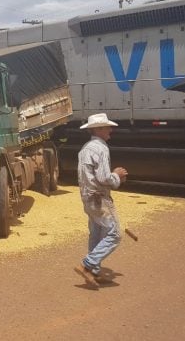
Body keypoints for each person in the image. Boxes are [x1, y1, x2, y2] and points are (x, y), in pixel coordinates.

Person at [74, 113, 128, 287]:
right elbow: (104, 177)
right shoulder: (101, 148)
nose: (110, 130)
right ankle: (88, 264)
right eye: (107, 127)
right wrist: (117, 176)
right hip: (99, 198)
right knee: (115, 234)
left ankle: (94, 270)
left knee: (97, 232)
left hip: (87, 197)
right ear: (99, 129)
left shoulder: (85, 148)